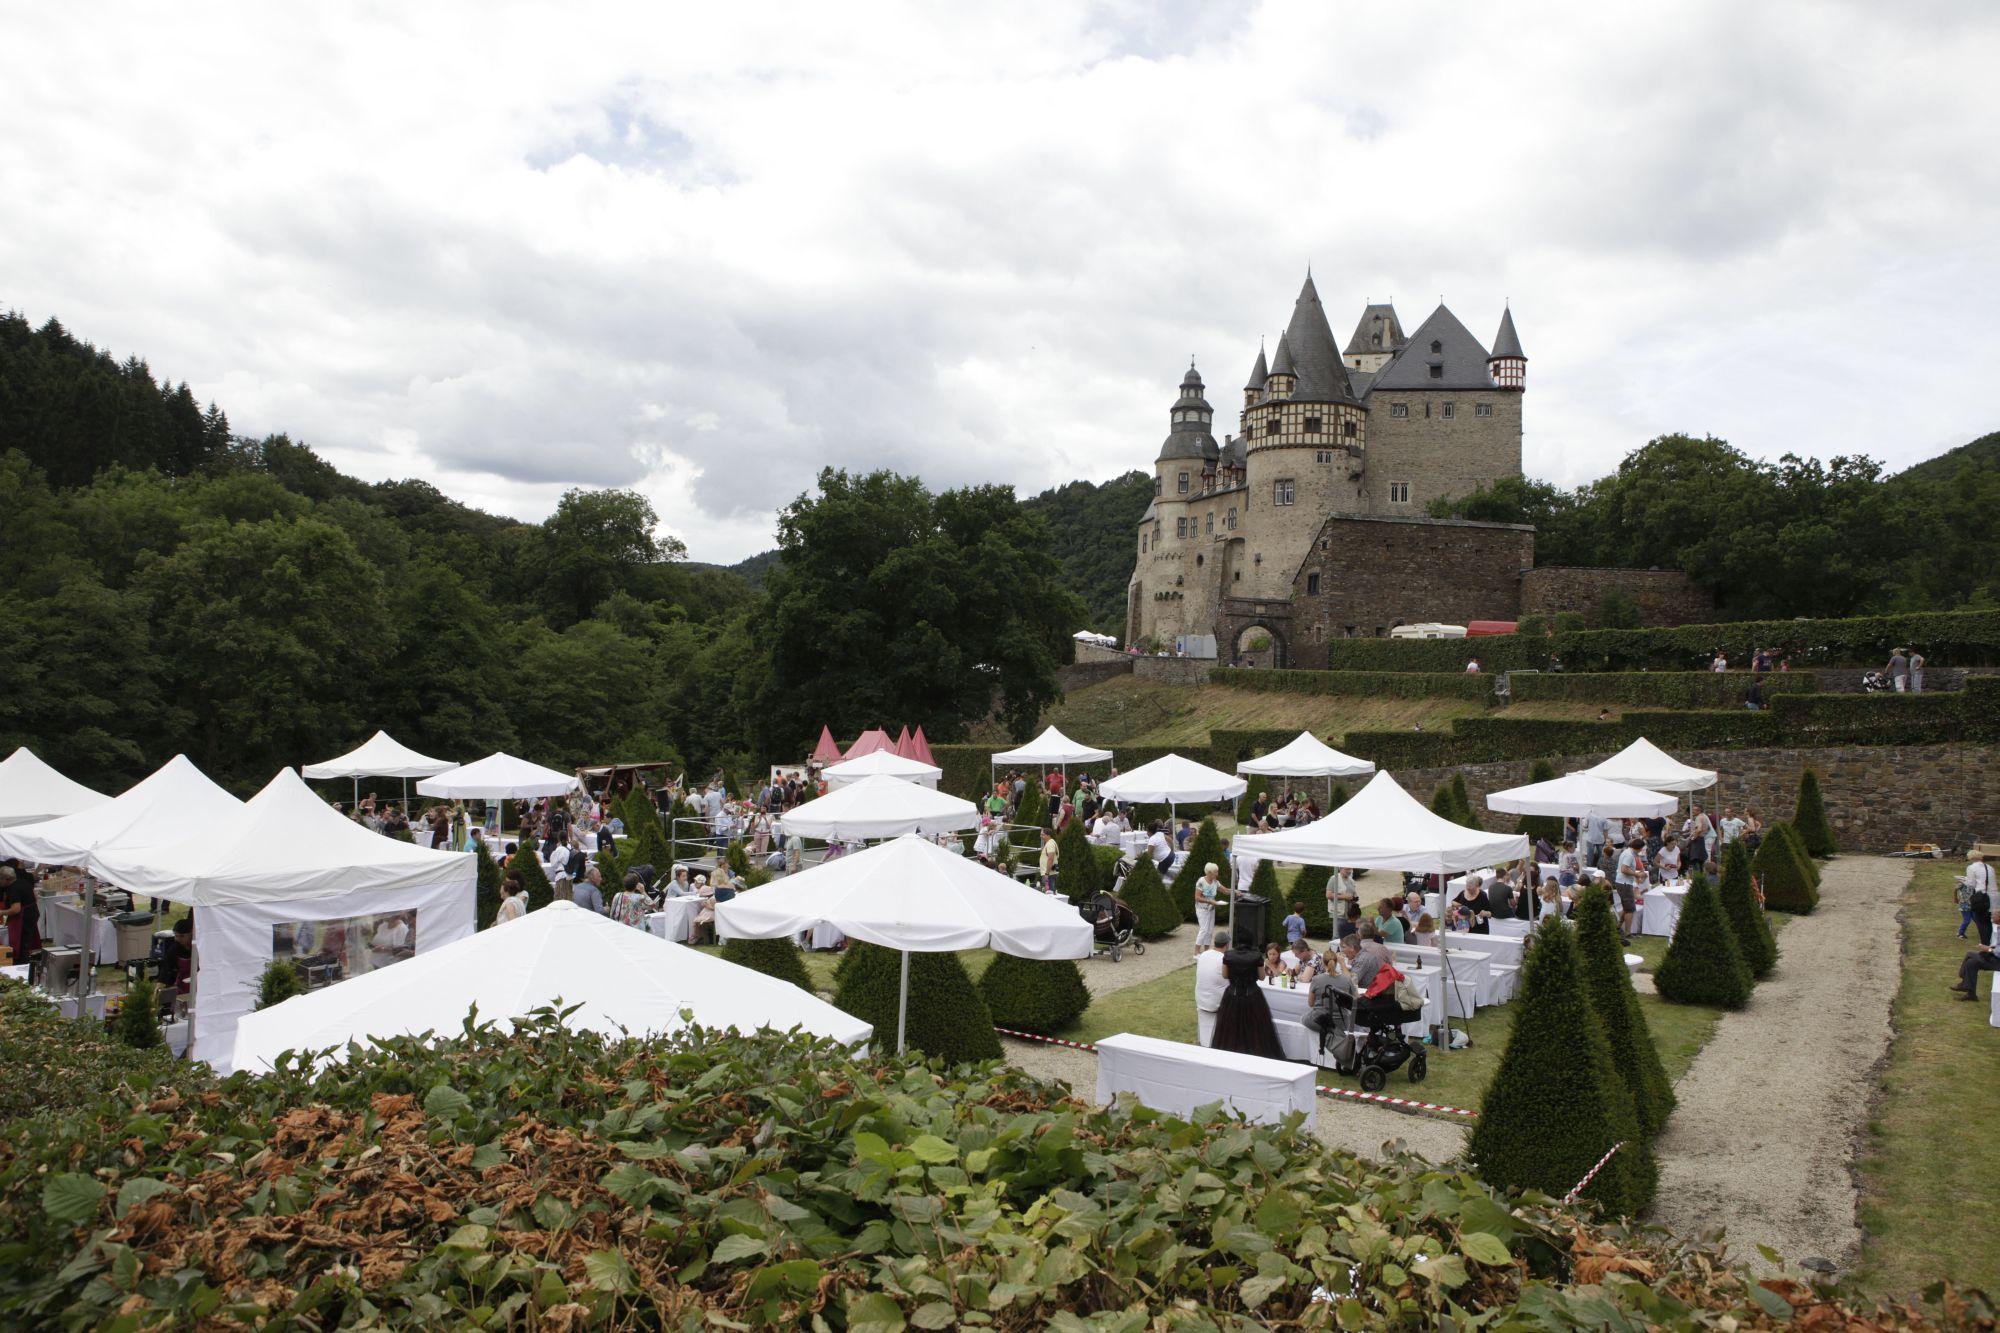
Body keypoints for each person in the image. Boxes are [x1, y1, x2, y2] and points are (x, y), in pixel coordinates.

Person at [1211, 940, 1285, 1059]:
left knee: (1230, 1026)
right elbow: (1261, 977)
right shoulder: (1256, 956)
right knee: (1255, 1027)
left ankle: (1231, 1053)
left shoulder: (1228, 955)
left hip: (1233, 995)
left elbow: (1225, 975)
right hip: (1252, 996)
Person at [1949, 888, 2000, 999]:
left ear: (1999, 918)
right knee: (1972, 963)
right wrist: (1992, 946)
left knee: (1970, 954)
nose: (1992, 916)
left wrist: (1988, 949)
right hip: (1996, 958)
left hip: (1998, 961)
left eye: (1994, 915)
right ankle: (1971, 994)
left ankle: (1963, 980)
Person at [1194, 932, 1229, 1046]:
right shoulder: (1224, 958)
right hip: (1215, 1003)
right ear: (1226, 945)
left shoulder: (1204, 955)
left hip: (1200, 999)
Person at [0, 864, 39, 962]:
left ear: (7, 879)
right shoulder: (22, 882)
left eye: (1, 878)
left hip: (24, 918)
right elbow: (35, 896)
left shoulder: (14, 889)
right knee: (26, 941)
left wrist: (1, 912)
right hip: (32, 913)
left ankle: (22, 963)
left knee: (22, 943)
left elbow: (16, 909)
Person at [1613, 838, 1645, 939]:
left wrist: (1635, 874)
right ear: (1639, 848)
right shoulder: (1629, 855)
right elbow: (1624, 869)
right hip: (1625, 883)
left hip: (1623, 883)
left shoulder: (1627, 851)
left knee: (1627, 907)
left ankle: (1618, 928)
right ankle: (1628, 933)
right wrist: (1636, 874)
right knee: (1630, 909)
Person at [1960, 852, 1995, 944]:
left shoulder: (1971, 868)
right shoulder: (1990, 868)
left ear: (1971, 858)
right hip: (1993, 896)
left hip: (1981, 897)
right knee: (1990, 922)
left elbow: (1971, 884)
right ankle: (1992, 943)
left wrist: (1963, 881)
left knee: (1981, 922)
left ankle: (1985, 944)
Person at [1193, 861, 1224, 953]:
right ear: (1210, 872)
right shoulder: (1201, 881)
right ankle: (1196, 952)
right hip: (1202, 909)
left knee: (1210, 930)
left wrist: (1235, 892)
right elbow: (1197, 897)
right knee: (1204, 929)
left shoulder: (1215, 882)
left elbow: (1225, 890)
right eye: (1216, 872)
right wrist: (1209, 901)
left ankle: (1206, 950)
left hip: (1211, 909)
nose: (1217, 874)